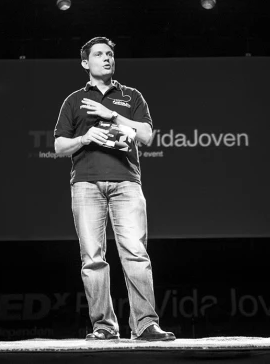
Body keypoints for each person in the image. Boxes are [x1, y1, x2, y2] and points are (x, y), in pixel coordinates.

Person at [53, 37, 175, 342]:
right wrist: (85, 138)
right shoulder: (73, 101)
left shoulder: (132, 96)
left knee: (136, 253)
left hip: (126, 183)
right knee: (93, 257)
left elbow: (146, 136)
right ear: (85, 63)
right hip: (85, 185)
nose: (107, 58)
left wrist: (113, 116)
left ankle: (145, 324)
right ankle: (104, 326)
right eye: (99, 54)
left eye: (110, 54)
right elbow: (58, 146)